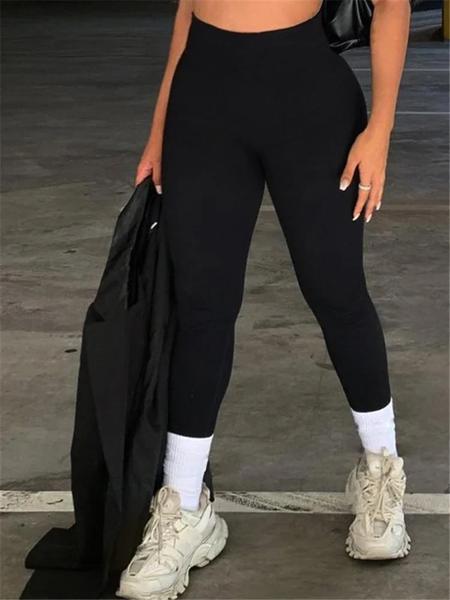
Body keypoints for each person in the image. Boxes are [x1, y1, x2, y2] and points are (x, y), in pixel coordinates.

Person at [117, 1, 412, 598]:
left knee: (336, 291)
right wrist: (159, 129)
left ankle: (381, 473)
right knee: (202, 305)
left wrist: (380, 129)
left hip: (309, 99)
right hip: (204, 102)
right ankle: (185, 506)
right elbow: (187, 11)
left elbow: (392, 4)